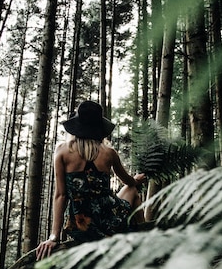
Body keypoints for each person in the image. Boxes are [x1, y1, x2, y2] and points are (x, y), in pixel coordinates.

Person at [36, 100, 146, 260]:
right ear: (99, 128)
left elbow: (61, 195)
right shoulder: (109, 153)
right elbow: (129, 183)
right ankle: (146, 236)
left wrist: (54, 236)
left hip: (81, 224)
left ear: (77, 125)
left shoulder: (62, 151)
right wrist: (136, 180)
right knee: (133, 191)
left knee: (128, 191)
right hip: (109, 219)